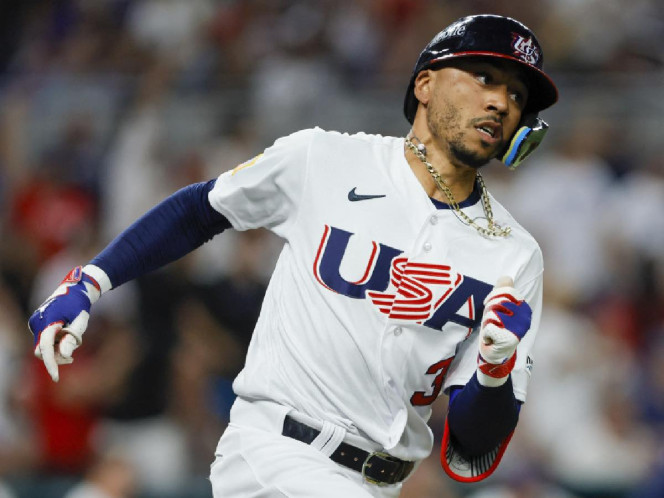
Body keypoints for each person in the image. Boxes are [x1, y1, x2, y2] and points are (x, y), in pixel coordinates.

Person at [29, 14, 558, 498]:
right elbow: (201, 209)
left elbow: (472, 448)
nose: (501, 102)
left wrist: (494, 371)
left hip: (381, 483)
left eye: (516, 94)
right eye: (485, 78)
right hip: (276, 454)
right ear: (425, 83)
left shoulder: (514, 254)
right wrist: (90, 281)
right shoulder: (325, 158)